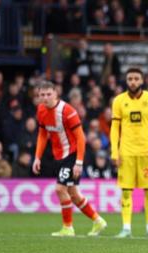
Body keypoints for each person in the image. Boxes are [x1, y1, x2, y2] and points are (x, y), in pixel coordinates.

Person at [32, 81, 107, 237]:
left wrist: (79, 162)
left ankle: (68, 227)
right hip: (59, 155)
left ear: (56, 93)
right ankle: (98, 220)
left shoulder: (67, 111)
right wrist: (37, 157)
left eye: (48, 94)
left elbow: (81, 137)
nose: (45, 98)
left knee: (60, 189)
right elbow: (42, 134)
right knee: (73, 193)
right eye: (42, 95)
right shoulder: (41, 110)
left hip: (72, 154)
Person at [110, 67, 148, 238]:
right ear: (126, 81)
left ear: (142, 80)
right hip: (126, 152)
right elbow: (114, 128)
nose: (133, 81)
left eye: (136, 78)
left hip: (147, 153)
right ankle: (126, 228)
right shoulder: (119, 100)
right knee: (126, 191)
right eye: (130, 78)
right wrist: (114, 151)